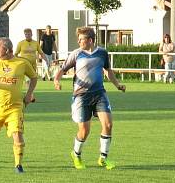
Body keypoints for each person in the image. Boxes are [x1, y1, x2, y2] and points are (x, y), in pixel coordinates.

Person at [53, 27, 126, 170]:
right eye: (78, 39)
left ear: (90, 40)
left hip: (100, 94)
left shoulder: (102, 53)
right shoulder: (76, 54)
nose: (79, 41)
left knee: (108, 125)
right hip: (81, 96)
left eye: (81, 39)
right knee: (84, 131)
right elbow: (62, 70)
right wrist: (56, 81)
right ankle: (76, 154)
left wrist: (118, 85)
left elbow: (108, 71)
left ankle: (103, 158)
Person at [0, 37, 38, 174]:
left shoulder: (21, 63)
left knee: (18, 134)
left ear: (7, 49)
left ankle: (18, 165)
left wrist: (29, 94)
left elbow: (34, 77)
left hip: (14, 107)